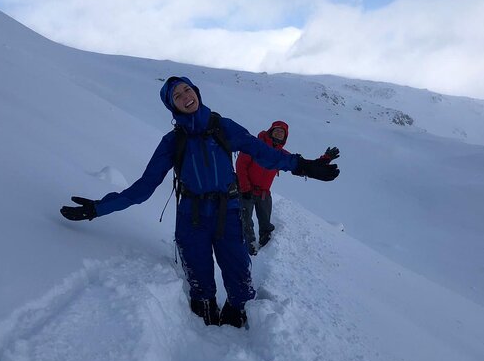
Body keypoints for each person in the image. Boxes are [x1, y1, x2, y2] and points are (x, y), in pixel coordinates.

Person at [60, 76, 340, 329]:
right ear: (172, 106)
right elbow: (143, 189)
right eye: (176, 96)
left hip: (228, 213)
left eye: (186, 89)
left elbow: (264, 153)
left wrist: (305, 167)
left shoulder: (222, 127)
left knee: (240, 280)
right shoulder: (172, 142)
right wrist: (98, 208)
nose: (184, 96)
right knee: (200, 284)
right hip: (191, 218)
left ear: (196, 91)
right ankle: (202, 336)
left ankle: (240, 324)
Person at [236, 121, 340, 254]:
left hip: (264, 193)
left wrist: (323, 160)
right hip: (246, 190)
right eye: (277, 130)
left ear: (285, 137)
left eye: (282, 132)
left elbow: (299, 165)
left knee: (265, 221)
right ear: (270, 131)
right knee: (245, 220)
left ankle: (266, 243)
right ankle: (249, 246)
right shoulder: (255, 145)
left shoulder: (281, 154)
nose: (279, 133)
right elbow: (240, 165)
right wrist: (245, 188)